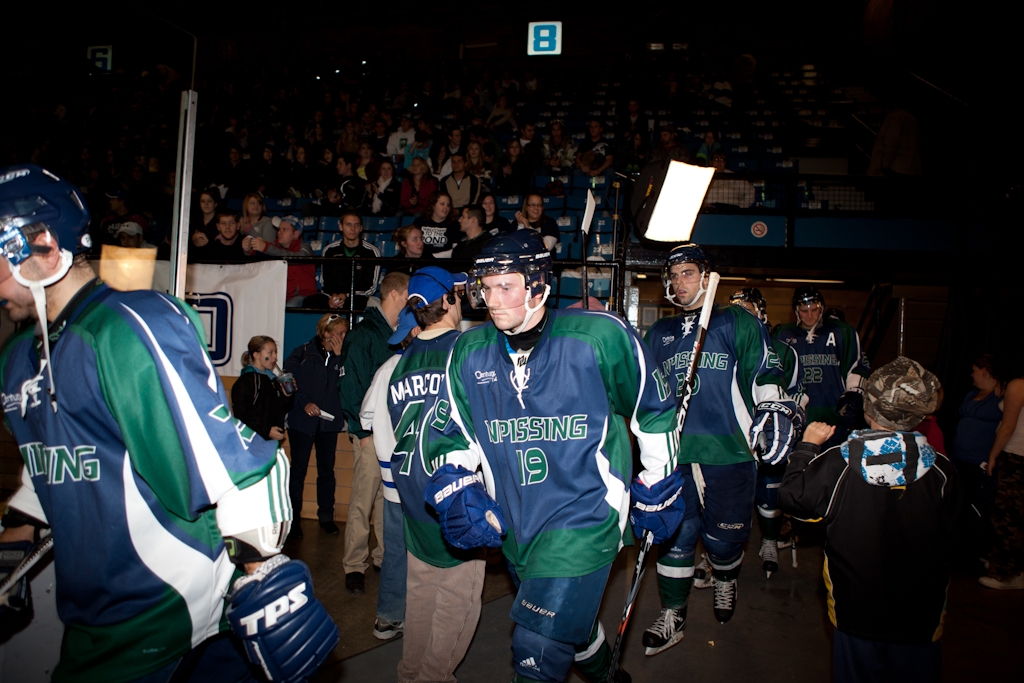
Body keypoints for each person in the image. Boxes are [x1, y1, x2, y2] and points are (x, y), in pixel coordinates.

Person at [0, 164, 335, 681]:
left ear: (42, 245)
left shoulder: (131, 328)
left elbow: (242, 466)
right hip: (89, 622)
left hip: (173, 620)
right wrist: (17, 534)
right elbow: (54, 466)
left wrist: (262, 575)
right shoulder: (19, 358)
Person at [423, 232, 683, 683]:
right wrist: (458, 487)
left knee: (536, 647)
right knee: (570, 630)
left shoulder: (599, 335)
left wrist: (657, 479)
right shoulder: (467, 351)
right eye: (486, 287)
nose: (493, 298)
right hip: (516, 525)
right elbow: (452, 435)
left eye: (506, 285)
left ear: (539, 285)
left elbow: (652, 407)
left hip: (586, 515)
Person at [641, 244, 796, 655]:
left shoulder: (736, 321)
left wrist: (773, 406)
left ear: (707, 277)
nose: (679, 282)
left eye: (687, 273)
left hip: (728, 451)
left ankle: (725, 578)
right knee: (676, 536)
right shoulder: (658, 333)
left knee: (723, 540)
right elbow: (644, 395)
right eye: (673, 276)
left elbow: (764, 370)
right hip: (674, 455)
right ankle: (674, 613)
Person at [779, 357, 962, 683]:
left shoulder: (839, 463)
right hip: (921, 614)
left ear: (869, 407)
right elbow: (958, 536)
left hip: (856, 611)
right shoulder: (943, 471)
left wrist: (806, 447)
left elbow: (795, 500)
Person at [384, 267, 492, 681]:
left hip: (414, 496)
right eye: (458, 294)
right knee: (456, 600)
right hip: (454, 496)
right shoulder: (467, 350)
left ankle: (410, 673)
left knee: (421, 593)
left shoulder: (400, 363)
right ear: (447, 302)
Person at [338, 271, 411, 595]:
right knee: (363, 500)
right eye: (408, 294)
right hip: (370, 432)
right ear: (395, 294)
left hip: (390, 434)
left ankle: (382, 556)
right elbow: (350, 387)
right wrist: (360, 431)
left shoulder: (394, 333)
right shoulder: (365, 334)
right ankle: (354, 564)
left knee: (386, 498)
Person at [728, 287, 805, 579]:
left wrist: (791, 415)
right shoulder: (722, 345)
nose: (743, 317)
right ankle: (719, 558)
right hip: (734, 435)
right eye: (737, 311)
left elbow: (797, 392)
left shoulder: (785, 351)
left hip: (769, 435)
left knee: (770, 493)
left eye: (749, 309)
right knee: (728, 499)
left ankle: (770, 541)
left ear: (763, 314)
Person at [358, 308, 422, 641]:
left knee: (395, 550)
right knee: (429, 554)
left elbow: (365, 416)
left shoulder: (387, 369)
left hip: (393, 479)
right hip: (425, 479)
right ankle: (423, 619)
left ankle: (388, 618)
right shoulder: (435, 364)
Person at [774, 285, 870, 449]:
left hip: (834, 414)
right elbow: (776, 373)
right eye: (804, 310)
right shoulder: (784, 335)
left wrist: (854, 394)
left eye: (814, 309)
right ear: (796, 310)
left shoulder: (841, 331)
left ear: (822, 308)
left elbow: (855, 365)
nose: (810, 315)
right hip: (798, 416)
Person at [284, 314, 348, 540]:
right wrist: (304, 403)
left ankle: (326, 517)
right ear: (326, 333)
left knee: (326, 472)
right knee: (298, 471)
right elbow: (289, 383)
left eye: (344, 332)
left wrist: (339, 358)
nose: (342, 337)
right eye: (339, 333)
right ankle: (293, 520)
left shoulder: (344, 356)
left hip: (328, 424)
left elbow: (344, 385)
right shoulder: (302, 353)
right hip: (302, 422)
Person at [951, 354, 1002, 565]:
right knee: (958, 507)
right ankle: (961, 553)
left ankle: (980, 554)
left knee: (979, 509)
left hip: (980, 462)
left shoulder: (1001, 397)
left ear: (986, 372)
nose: (972, 375)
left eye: (974, 370)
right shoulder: (972, 393)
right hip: (959, 459)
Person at [980, 367, 1024, 589]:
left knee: (1008, 515)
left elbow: (1008, 426)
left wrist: (993, 455)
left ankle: (1006, 573)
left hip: (1016, 455)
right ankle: (1005, 564)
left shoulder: (1019, 384)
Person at [311, 211, 382, 311]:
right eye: (348, 224)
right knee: (310, 302)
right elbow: (325, 282)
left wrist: (346, 295)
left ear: (361, 228)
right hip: (333, 297)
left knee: (358, 304)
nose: (353, 229)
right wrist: (334, 296)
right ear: (341, 227)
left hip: (357, 298)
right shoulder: (329, 251)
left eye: (356, 225)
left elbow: (370, 288)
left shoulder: (372, 252)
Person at [232, 336, 294, 442]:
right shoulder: (246, 381)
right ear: (256, 355)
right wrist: (266, 430)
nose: (275, 357)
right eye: (270, 352)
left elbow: (281, 410)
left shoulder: (273, 380)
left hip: (271, 442)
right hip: (253, 442)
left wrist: (287, 396)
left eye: (275, 352)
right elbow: (242, 415)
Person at [243, 215, 317, 306]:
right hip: (279, 296)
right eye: (279, 229)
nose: (279, 233)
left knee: (290, 306)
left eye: (284, 230)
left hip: (303, 296)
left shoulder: (305, 247)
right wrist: (250, 248)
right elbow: (262, 253)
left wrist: (266, 248)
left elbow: (297, 257)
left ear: (296, 234)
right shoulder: (275, 245)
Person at [413, 192, 460, 256]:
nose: (445, 207)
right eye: (442, 204)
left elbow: (456, 250)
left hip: (444, 262)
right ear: (433, 205)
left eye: (448, 205)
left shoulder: (454, 225)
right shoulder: (420, 222)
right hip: (422, 261)